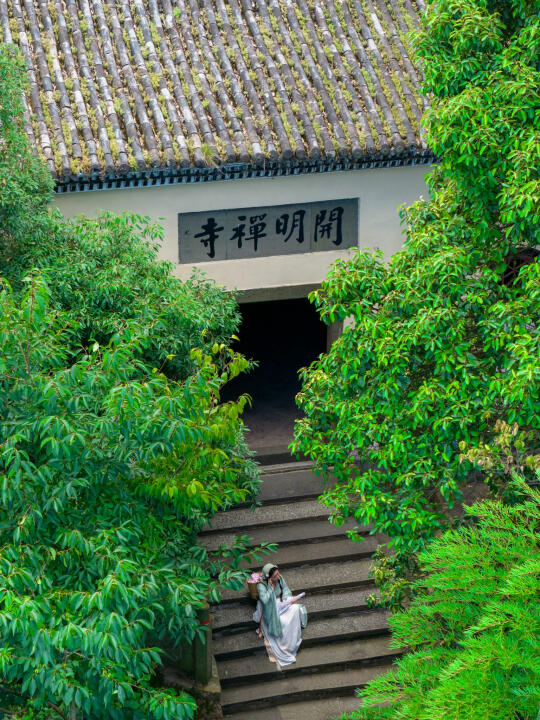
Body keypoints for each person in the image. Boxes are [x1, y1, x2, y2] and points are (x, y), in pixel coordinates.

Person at [253, 563, 308, 667]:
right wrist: (271, 588)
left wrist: (288, 599)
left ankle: (293, 639)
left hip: (281, 603)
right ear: (269, 578)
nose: (278, 577)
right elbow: (264, 600)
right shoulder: (261, 585)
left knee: (295, 609)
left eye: (278, 574)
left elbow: (285, 589)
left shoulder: (279, 578)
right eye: (275, 576)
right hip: (270, 607)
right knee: (283, 622)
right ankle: (286, 646)